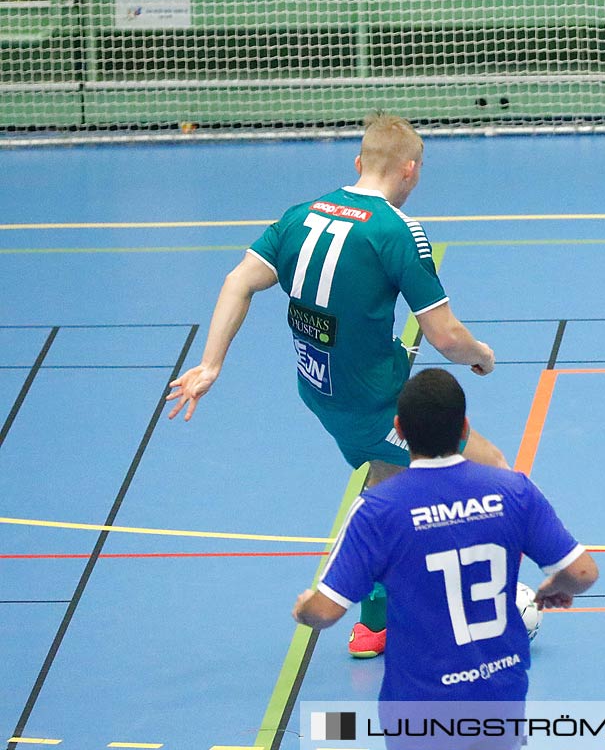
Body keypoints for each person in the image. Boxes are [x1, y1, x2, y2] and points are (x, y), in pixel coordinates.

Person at [165, 111, 511, 657]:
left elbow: (238, 281)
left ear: (357, 163)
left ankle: (375, 624)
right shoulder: (397, 231)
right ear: (411, 171)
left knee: (388, 479)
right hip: (375, 404)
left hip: (320, 392)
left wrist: (210, 366)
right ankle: (496, 605)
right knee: (495, 473)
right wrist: (482, 357)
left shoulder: (300, 216)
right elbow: (446, 338)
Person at [294, 369, 598, 740]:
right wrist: (554, 586)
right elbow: (582, 573)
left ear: (399, 430)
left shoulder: (378, 510)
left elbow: (324, 613)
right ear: (465, 428)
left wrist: (304, 608)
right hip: (499, 698)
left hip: (419, 710)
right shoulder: (514, 491)